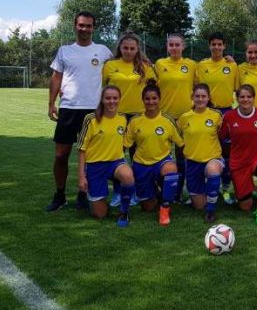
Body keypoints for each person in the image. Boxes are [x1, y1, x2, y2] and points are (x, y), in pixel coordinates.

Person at [46, 11, 113, 212]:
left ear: (94, 28)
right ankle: (60, 195)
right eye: (81, 25)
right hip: (68, 108)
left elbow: (120, 66)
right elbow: (56, 77)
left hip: (93, 111)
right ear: (75, 26)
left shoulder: (103, 51)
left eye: (89, 26)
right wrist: (51, 103)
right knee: (61, 155)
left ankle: (84, 195)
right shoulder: (65, 51)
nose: (84, 29)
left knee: (90, 156)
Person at [102, 32, 155, 207]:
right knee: (117, 155)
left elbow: (155, 89)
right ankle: (119, 191)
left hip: (139, 116)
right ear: (120, 48)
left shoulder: (145, 67)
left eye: (132, 48)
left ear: (137, 49)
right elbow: (100, 88)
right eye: (126, 48)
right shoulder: (110, 65)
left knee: (137, 156)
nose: (129, 51)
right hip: (116, 116)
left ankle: (138, 191)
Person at [124, 84, 184, 226]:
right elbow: (125, 145)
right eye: (147, 99)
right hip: (141, 165)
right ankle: (159, 195)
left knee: (171, 170)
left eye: (154, 98)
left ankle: (165, 208)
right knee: (148, 207)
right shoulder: (134, 121)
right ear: (143, 100)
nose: (151, 102)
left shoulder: (167, 120)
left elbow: (181, 144)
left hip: (162, 162)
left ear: (159, 99)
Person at [76, 86, 135, 227]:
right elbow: (81, 149)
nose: (112, 101)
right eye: (108, 98)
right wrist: (81, 176)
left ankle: (124, 211)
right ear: (102, 99)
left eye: (115, 98)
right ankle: (92, 197)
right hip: (95, 166)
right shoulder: (90, 119)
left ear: (119, 99)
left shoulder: (122, 118)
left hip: (116, 162)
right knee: (100, 214)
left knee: (128, 175)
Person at [219, 85, 257, 226]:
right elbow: (222, 137)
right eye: (242, 96)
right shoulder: (229, 117)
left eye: (249, 96)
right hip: (239, 162)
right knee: (245, 207)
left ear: (254, 98)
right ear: (237, 98)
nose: (245, 99)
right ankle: (253, 189)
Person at [195, 32, 239, 205]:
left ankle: (226, 188)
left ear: (224, 46)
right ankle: (207, 185)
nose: (216, 47)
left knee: (227, 152)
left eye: (219, 44)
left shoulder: (232, 66)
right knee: (205, 149)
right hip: (205, 112)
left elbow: (237, 89)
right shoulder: (201, 65)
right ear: (209, 46)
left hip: (226, 112)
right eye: (213, 44)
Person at [155, 33, 198, 202]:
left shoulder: (192, 65)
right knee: (160, 156)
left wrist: (229, 59)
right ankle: (160, 190)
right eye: (171, 45)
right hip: (164, 117)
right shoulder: (159, 64)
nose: (174, 48)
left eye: (177, 45)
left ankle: (178, 192)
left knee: (182, 157)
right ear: (167, 47)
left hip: (184, 118)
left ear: (183, 46)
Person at [177, 84, 224, 223]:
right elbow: (178, 138)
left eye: (203, 96)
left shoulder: (216, 116)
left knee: (212, 171)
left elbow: (223, 136)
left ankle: (211, 210)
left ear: (209, 98)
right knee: (199, 205)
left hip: (213, 159)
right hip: (192, 162)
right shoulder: (184, 118)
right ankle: (209, 191)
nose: (200, 99)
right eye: (197, 96)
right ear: (192, 97)